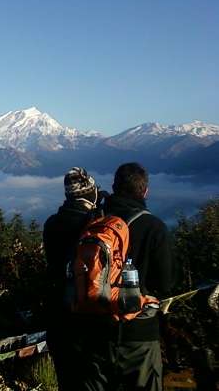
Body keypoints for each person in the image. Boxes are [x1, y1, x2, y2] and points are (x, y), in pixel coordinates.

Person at [84, 162, 175, 391]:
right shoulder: (154, 227)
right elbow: (166, 283)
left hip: (95, 330)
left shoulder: (93, 223)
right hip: (139, 333)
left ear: (114, 188)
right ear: (145, 191)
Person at [43, 167, 101, 391]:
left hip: (59, 312)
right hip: (92, 312)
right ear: (90, 193)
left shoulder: (52, 224)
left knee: (66, 379)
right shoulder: (96, 224)